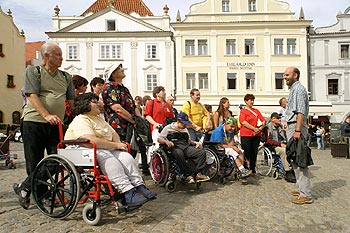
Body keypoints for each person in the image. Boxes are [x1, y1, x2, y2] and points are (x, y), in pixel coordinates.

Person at [64, 93, 156, 207]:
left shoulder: (99, 119)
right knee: (109, 159)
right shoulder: (81, 120)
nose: (99, 104)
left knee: (126, 157)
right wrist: (116, 145)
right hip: (83, 149)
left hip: (102, 148)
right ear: (85, 104)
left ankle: (139, 186)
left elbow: (113, 134)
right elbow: (90, 140)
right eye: (94, 101)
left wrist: (117, 144)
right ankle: (127, 191)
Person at [13, 42, 75, 209]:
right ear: (46, 56)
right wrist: (46, 115)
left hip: (57, 124)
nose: (62, 58)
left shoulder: (65, 77)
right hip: (34, 121)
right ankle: (41, 196)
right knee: (34, 161)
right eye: (58, 55)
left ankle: (24, 187)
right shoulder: (34, 72)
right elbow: (32, 95)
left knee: (57, 160)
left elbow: (72, 101)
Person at [102, 64, 150, 175]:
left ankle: (129, 177)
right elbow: (117, 108)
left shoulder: (124, 88)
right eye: (119, 69)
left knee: (131, 153)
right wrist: (133, 120)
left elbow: (132, 107)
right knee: (121, 154)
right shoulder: (108, 87)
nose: (123, 70)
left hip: (130, 126)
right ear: (113, 73)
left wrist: (139, 120)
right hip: (118, 127)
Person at [284, 66, 313, 204]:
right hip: (293, 125)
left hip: (297, 126)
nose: (285, 77)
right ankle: (301, 188)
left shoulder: (299, 89)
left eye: (287, 74)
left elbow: (300, 112)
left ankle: (305, 194)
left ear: (295, 75)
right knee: (295, 159)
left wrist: (297, 130)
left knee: (300, 160)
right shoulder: (294, 89)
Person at [158, 112, 210, 183]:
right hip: (174, 148)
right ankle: (187, 174)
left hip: (185, 146)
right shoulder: (168, 128)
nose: (185, 126)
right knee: (179, 154)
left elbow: (189, 140)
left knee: (201, 153)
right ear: (178, 121)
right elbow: (159, 139)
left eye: (186, 124)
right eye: (183, 124)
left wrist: (195, 142)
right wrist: (166, 142)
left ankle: (198, 174)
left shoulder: (185, 130)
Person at [239, 94, 266, 176]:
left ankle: (253, 169)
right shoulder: (243, 111)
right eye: (250, 100)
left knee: (254, 153)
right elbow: (243, 121)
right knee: (246, 152)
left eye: (252, 100)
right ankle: (245, 169)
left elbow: (263, 120)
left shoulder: (256, 110)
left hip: (256, 135)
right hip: (246, 135)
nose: (252, 101)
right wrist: (253, 128)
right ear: (246, 101)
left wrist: (260, 129)